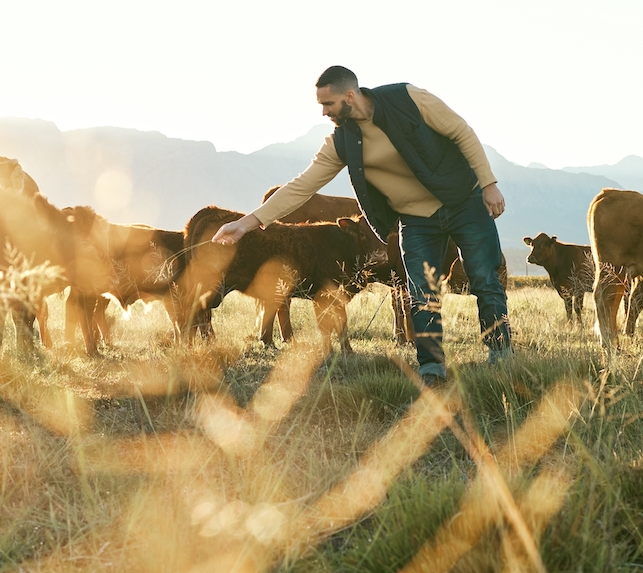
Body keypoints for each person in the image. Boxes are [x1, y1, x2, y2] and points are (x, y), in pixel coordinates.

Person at [212, 65, 512, 384]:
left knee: (484, 278)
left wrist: (489, 183)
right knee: (421, 292)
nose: (324, 112)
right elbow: (302, 186)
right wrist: (247, 223)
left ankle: (500, 354)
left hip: (463, 202)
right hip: (415, 220)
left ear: (350, 96)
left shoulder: (408, 98)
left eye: (328, 104)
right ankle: (432, 368)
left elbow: (459, 130)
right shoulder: (341, 143)